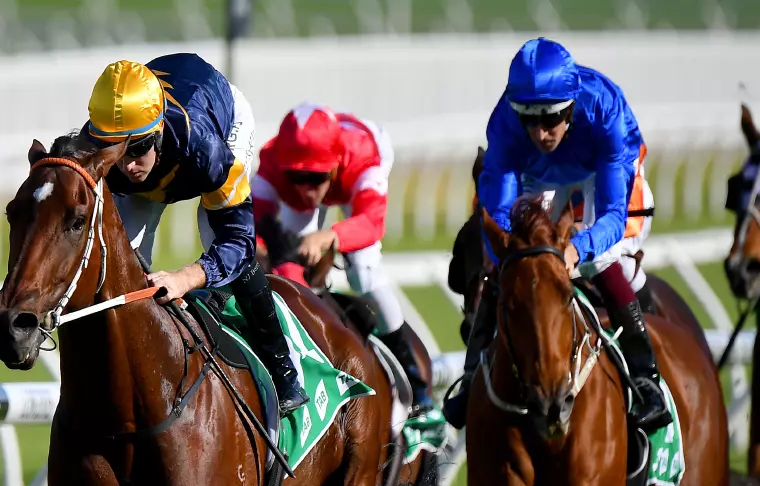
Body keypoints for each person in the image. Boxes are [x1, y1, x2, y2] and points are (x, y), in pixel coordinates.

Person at [443, 37, 669, 432]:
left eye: (551, 119)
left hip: (603, 169)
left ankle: (647, 378)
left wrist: (575, 250)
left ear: (572, 107)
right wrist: (512, 259)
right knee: (508, 263)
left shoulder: (605, 112)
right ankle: (472, 374)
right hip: (543, 174)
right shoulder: (505, 125)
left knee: (602, 259)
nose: (541, 133)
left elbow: (613, 216)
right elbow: (498, 216)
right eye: (529, 120)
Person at [83, 56, 308, 412]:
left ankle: (285, 371)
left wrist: (184, 278)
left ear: (158, 130)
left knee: (220, 242)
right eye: (116, 151)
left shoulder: (205, 148)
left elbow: (239, 241)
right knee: (120, 265)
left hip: (221, 124)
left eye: (138, 148)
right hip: (170, 144)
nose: (127, 165)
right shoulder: (95, 145)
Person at [252, 103, 434, 411]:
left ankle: (415, 380)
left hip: (362, 161)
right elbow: (251, 222)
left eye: (316, 178)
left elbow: (372, 223)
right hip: (324, 158)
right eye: (297, 177)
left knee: (363, 273)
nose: (307, 191)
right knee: (288, 273)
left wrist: (330, 236)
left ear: (335, 166)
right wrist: (262, 246)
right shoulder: (273, 160)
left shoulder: (363, 160)